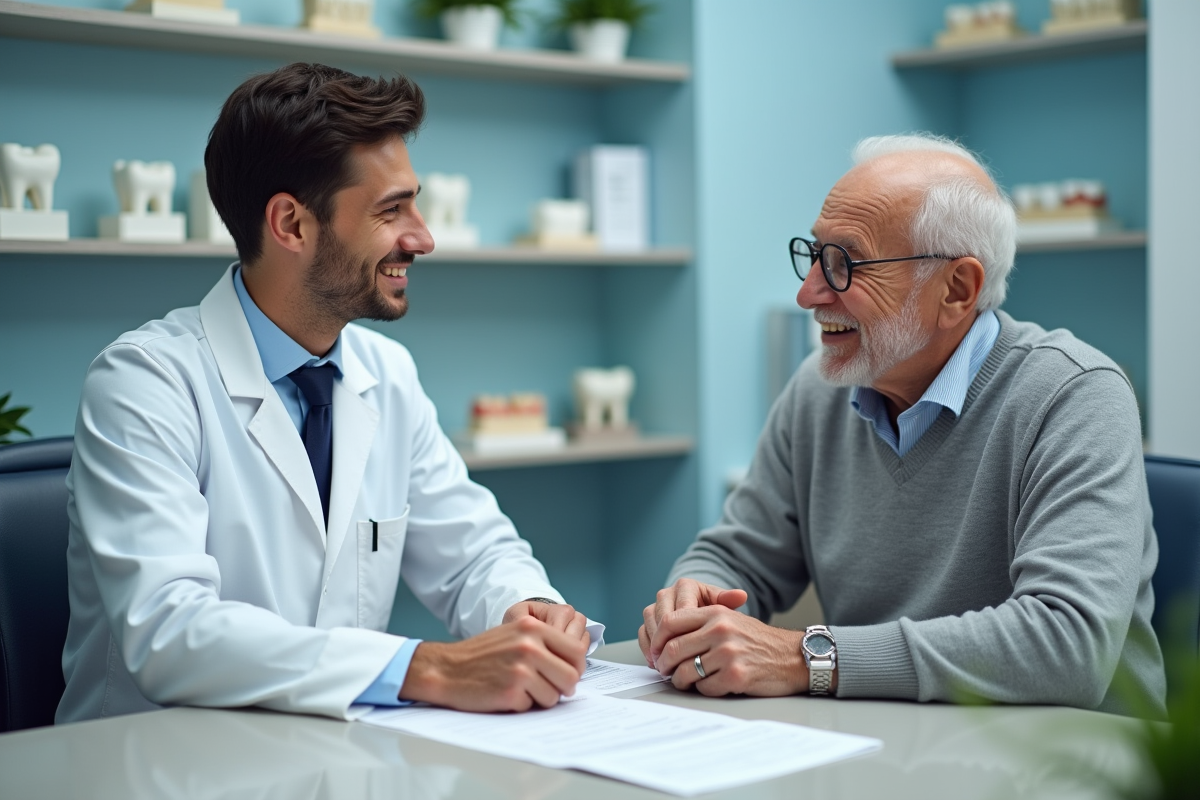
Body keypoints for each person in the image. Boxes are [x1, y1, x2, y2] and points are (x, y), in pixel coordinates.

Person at [57, 63, 600, 724]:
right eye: (391, 209)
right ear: (290, 224)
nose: (423, 237)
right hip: (157, 769)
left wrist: (528, 610)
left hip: (328, 758)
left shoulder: (387, 374)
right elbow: (168, 633)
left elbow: (475, 555)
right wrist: (426, 667)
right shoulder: (144, 383)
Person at [640, 133, 1167, 717]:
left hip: (1074, 762)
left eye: (844, 264)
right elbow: (736, 556)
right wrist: (693, 599)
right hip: (894, 742)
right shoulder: (817, 390)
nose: (808, 292)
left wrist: (805, 658)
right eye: (814, 256)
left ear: (957, 289)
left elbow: (1068, 644)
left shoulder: (1075, 394)